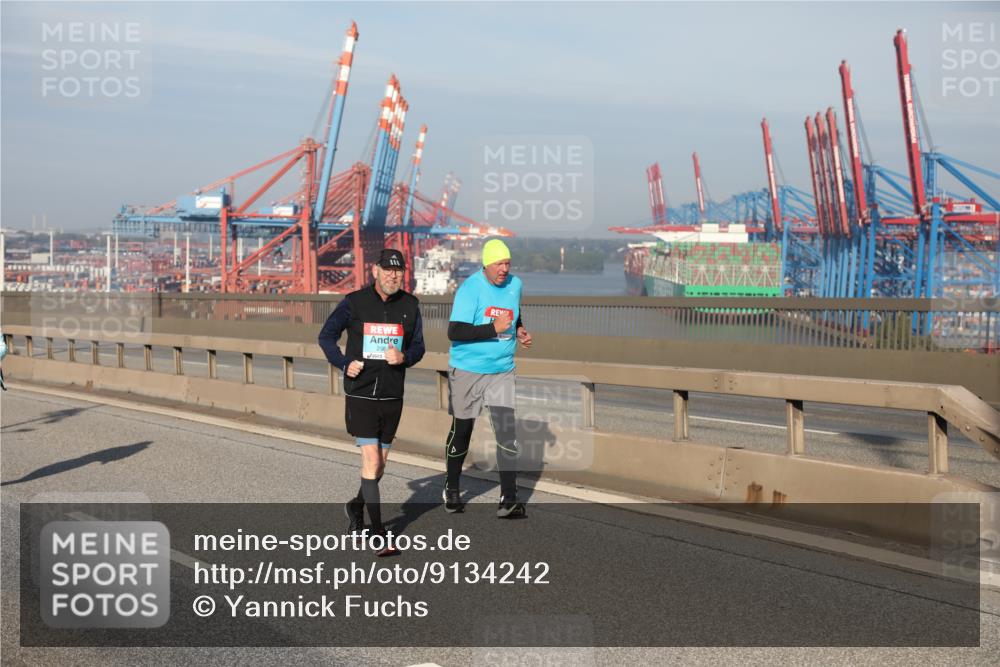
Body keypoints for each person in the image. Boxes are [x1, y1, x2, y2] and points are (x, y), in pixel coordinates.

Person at [318, 248, 425, 555]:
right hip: (361, 392)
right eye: (388, 270)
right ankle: (379, 534)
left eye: (399, 271)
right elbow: (326, 336)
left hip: (393, 395)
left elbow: (419, 346)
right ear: (375, 270)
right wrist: (343, 362)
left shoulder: (411, 305)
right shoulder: (355, 302)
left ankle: (355, 506)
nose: (393, 275)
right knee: (372, 461)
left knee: (379, 468)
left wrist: (404, 356)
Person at [443, 239, 533, 518]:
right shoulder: (470, 289)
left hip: (502, 370)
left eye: (507, 263)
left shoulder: (515, 284)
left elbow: (514, 314)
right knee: (463, 430)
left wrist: (519, 330)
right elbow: (455, 331)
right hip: (468, 369)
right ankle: (452, 487)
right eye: (499, 264)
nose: (504, 269)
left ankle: (509, 498)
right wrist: (492, 328)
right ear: (486, 264)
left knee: (507, 431)